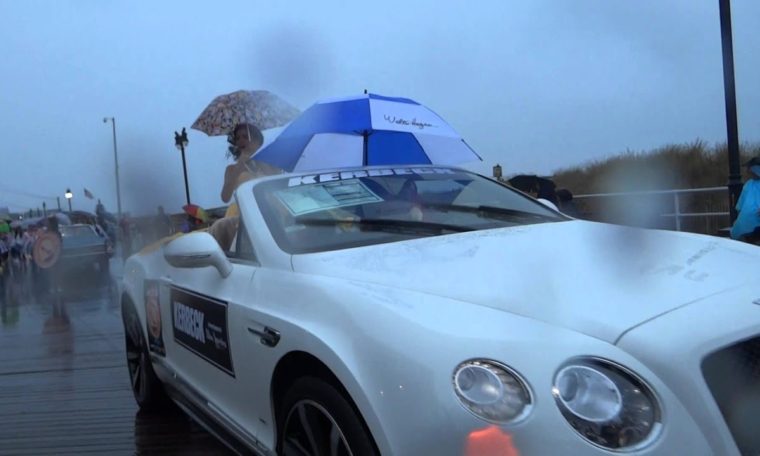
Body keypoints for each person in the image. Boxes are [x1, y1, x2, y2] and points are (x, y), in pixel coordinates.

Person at [209, 123, 281, 251]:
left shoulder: (271, 164)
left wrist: (259, 161)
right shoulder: (231, 169)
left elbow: (277, 186)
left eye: (245, 136)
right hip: (243, 213)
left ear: (257, 141)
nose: (241, 140)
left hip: (272, 210)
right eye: (237, 138)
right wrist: (239, 167)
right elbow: (225, 197)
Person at [730, 156, 760, 242]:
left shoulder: (749, 185)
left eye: (750, 169)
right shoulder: (748, 184)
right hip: (746, 227)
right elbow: (740, 207)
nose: (748, 172)